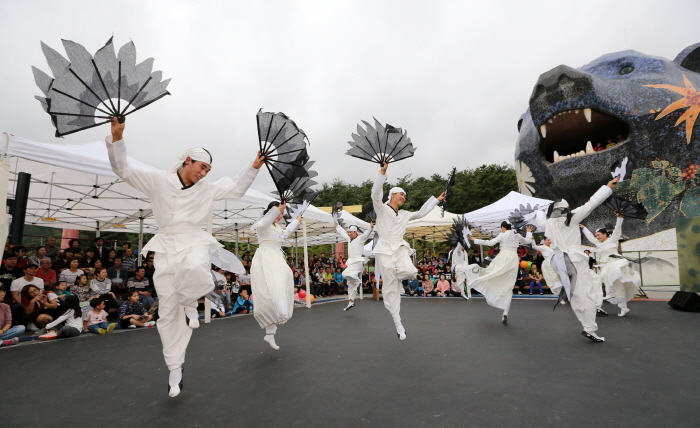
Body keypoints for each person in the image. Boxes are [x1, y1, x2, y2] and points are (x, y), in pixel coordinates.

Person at [106, 116, 264, 397]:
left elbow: (237, 188)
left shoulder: (207, 189)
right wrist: (117, 138)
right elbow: (123, 170)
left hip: (193, 239)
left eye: (209, 170)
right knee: (167, 311)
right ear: (188, 160)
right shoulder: (158, 180)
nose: (204, 174)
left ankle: (191, 301)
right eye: (202, 167)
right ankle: (175, 368)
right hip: (166, 244)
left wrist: (253, 166)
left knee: (194, 266)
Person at [535, 176, 619, 342]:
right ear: (566, 208)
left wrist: (539, 210)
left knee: (591, 281)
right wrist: (608, 187)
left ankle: (595, 308)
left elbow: (539, 219)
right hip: (573, 259)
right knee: (582, 292)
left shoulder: (549, 223)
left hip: (561, 260)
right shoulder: (571, 217)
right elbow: (592, 203)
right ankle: (589, 326)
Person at [372, 161, 444, 339]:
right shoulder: (381, 209)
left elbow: (420, 213)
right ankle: (398, 323)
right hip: (384, 249)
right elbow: (375, 194)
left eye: (405, 194)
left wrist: (437, 200)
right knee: (390, 290)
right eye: (400, 194)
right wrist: (382, 172)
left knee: (411, 270)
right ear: (392, 195)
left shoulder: (404, 214)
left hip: (400, 247)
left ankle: (397, 281)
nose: (404, 196)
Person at [250, 201, 301, 351]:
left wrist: (296, 222)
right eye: (279, 214)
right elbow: (264, 223)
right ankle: (280, 312)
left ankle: (270, 333)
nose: (280, 217)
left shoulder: (276, 227)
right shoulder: (262, 224)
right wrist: (278, 208)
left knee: (282, 284)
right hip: (266, 259)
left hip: (277, 258)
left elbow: (284, 234)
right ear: (273, 211)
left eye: (281, 215)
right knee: (270, 289)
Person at [466, 223, 534, 323]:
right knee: (509, 285)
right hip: (513, 260)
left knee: (491, 273)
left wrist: (474, 240)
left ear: (503, 228)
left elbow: (490, 243)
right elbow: (528, 241)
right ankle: (505, 312)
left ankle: (476, 281)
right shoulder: (517, 235)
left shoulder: (503, 235)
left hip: (503, 258)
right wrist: (528, 232)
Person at [581, 215, 640, 316]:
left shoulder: (613, 240)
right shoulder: (597, 243)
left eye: (599, 235)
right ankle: (623, 307)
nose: (597, 237)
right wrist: (584, 228)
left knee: (607, 277)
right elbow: (590, 237)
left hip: (614, 263)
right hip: (605, 265)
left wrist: (620, 218)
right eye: (596, 235)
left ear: (605, 234)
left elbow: (617, 229)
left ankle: (609, 293)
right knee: (618, 285)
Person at [333, 219, 374, 310]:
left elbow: (367, 234)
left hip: (358, 262)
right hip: (351, 263)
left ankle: (358, 282)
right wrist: (337, 226)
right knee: (350, 283)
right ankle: (351, 301)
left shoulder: (360, 238)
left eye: (350, 232)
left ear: (355, 232)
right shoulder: (348, 238)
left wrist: (371, 227)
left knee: (345, 274)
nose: (349, 233)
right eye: (348, 232)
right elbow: (342, 232)